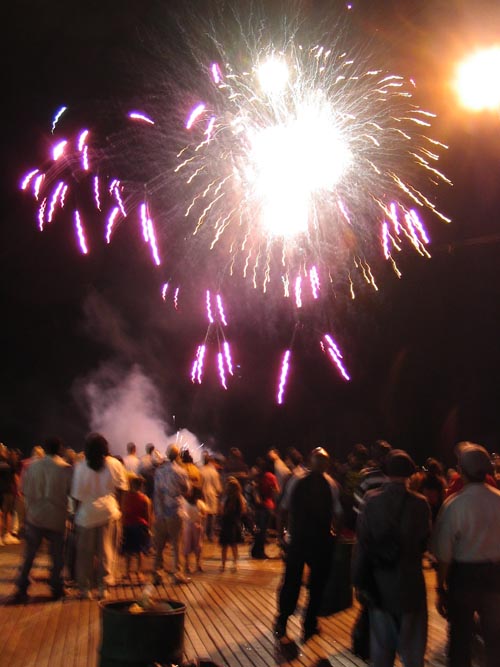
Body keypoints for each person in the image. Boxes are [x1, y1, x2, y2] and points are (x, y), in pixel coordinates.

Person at [353, 449, 431, 667]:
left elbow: (362, 543)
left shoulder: (371, 501)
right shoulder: (421, 504)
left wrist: (358, 581)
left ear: (385, 471)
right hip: (411, 583)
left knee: (381, 648)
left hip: (380, 583)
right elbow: (424, 542)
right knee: (413, 651)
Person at [432, 442, 500, 667]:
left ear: (461, 471)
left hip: (464, 577)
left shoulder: (455, 504)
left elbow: (444, 554)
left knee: (460, 638)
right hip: (495, 575)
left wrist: (440, 587)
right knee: (495, 638)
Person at [274, 447, 342, 645]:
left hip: (299, 539)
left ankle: (284, 621)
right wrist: (334, 535)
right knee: (315, 584)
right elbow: (338, 513)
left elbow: (283, 509)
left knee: (293, 581)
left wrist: (281, 535)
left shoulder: (297, 480)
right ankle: (308, 623)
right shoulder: (330, 484)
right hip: (318, 541)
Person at [11, 437, 71, 601]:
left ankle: (21, 587)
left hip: (35, 516)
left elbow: (23, 489)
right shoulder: (65, 468)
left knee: (29, 555)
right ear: (59, 449)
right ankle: (56, 587)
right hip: (56, 517)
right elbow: (70, 492)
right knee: (57, 556)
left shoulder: (32, 466)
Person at [71, 432, 129, 599]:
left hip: (86, 515)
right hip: (109, 513)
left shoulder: (81, 467)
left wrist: (75, 516)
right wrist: (120, 510)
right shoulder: (115, 464)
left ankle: (85, 589)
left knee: (85, 555)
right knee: (106, 552)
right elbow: (123, 490)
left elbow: (76, 496)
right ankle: (104, 587)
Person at [153, 444, 191, 585]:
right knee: (176, 544)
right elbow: (187, 490)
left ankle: (157, 573)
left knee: (159, 546)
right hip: (175, 511)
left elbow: (156, 491)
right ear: (178, 456)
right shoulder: (181, 471)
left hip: (160, 511)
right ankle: (177, 574)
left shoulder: (159, 471)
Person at [121, 474, 151, 581]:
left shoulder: (126, 497)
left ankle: (127, 572)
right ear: (141, 486)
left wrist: (122, 524)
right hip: (140, 526)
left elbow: (123, 512)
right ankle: (139, 572)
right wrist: (149, 528)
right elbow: (147, 515)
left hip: (128, 525)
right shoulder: (145, 499)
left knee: (128, 551)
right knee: (140, 551)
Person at [251, 458, 279, 559]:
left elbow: (253, 489)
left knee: (259, 530)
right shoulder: (271, 476)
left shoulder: (258, 477)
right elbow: (277, 491)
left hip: (258, 507)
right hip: (268, 505)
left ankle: (255, 551)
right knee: (263, 531)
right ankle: (260, 552)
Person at [219, 476, 246, 572]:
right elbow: (243, 511)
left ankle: (223, 565)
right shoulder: (239, 498)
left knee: (225, 546)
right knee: (233, 545)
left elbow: (222, 510)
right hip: (234, 524)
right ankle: (235, 563)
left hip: (227, 523)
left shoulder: (227, 498)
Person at [182, 487, 208, 574]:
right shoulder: (199, 503)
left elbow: (183, 514)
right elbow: (204, 513)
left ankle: (187, 566)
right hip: (196, 526)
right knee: (197, 546)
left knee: (188, 545)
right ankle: (197, 565)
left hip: (188, 526)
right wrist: (200, 515)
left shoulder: (185, 503)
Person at [199, 454, 222, 541]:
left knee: (203, 515)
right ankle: (211, 535)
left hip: (203, 495)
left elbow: (199, 485)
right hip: (212, 495)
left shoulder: (200, 470)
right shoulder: (214, 472)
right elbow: (218, 487)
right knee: (212, 515)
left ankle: (203, 535)